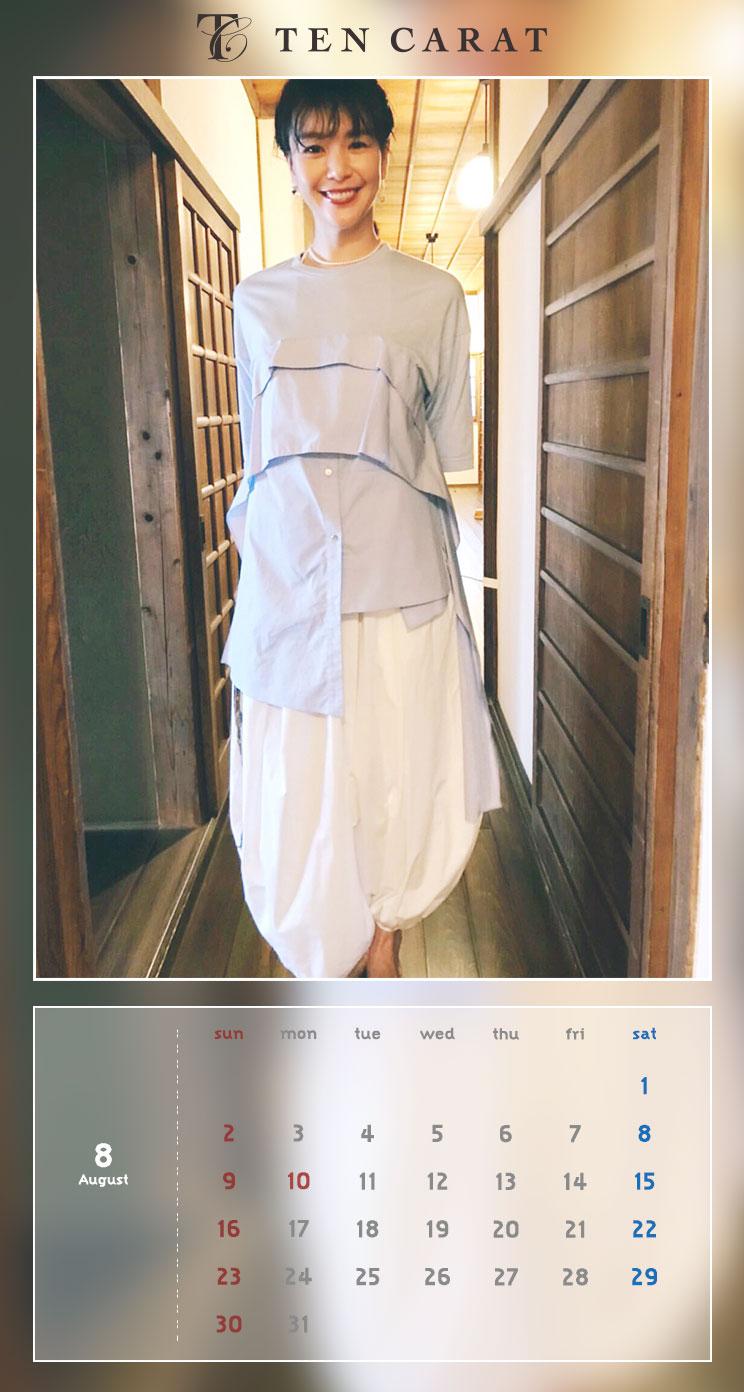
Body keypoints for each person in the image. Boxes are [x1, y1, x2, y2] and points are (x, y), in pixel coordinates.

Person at [222, 79, 500, 979]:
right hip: (288, 590)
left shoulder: (435, 296)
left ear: (383, 153)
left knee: (394, 782)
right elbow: (262, 455)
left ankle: (384, 951)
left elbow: (443, 451)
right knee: (297, 798)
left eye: (356, 144)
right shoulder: (256, 302)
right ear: (290, 162)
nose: (336, 168)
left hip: (398, 590)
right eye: (313, 146)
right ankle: (319, 975)